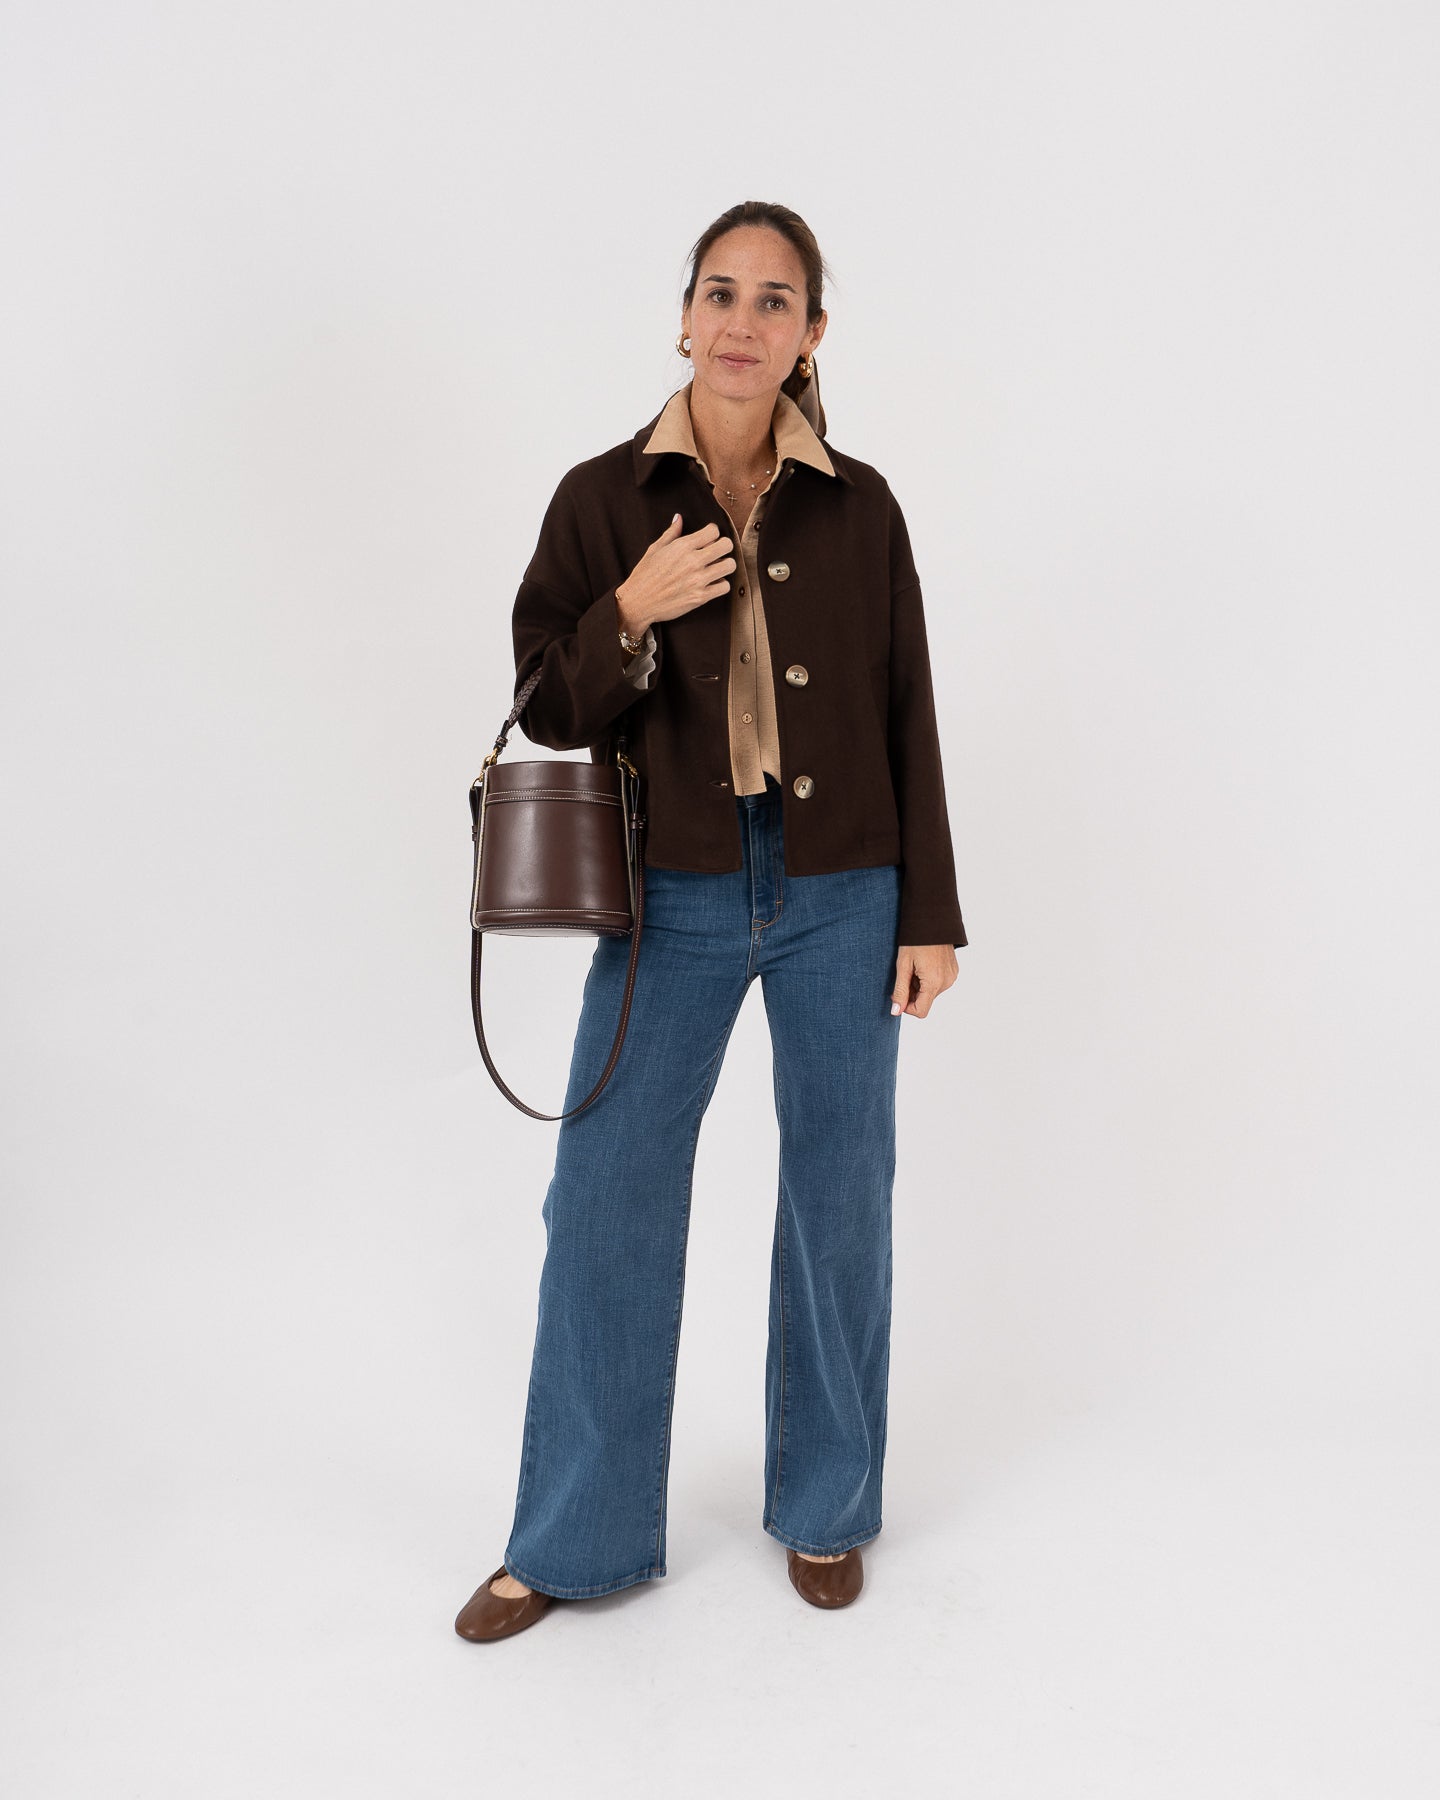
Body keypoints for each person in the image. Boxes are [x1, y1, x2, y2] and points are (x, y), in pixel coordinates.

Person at [456, 200, 967, 1643]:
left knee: (840, 1195)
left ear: (812, 334)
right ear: (683, 318)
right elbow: (546, 706)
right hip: (668, 890)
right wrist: (629, 606)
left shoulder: (862, 507)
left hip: (842, 889)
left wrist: (929, 910)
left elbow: (908, 710)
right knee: (605, 1197)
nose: (744, 321)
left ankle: (827, 1506)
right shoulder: (600, 497)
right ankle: (572, 1540)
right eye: (720, 293)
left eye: (775, 299)